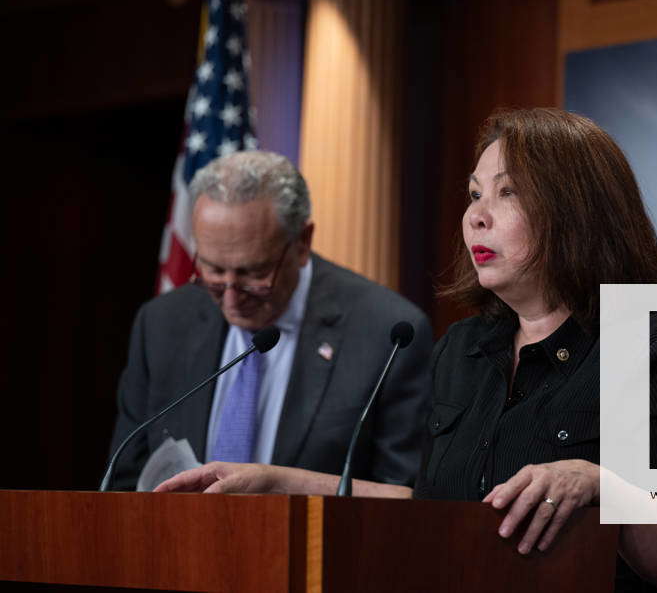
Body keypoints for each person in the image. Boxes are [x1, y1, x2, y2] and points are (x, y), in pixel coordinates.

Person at [157, 109, 657, 591]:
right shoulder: (465, 348)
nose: (476, 216)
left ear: (577, 212)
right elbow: (437, 507)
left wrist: (601, 484)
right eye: (474, 194)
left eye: (507, 194)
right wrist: (278, 482)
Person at [108, 151, 433, 490]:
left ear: (302, 243)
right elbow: (124, 479)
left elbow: (403, 497)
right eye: (214, 271)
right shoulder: (162, 324)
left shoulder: (386, 333)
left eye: (254, 273)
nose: (231, 297)